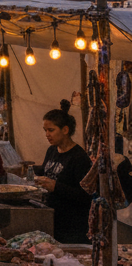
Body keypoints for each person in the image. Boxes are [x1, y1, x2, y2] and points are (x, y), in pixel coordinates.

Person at [35, 100, 92, 244]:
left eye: (51, 130)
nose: (47, 134)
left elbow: (85, 196)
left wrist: (56, 187)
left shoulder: (79, 158)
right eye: (45, 130)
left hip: (72, 227)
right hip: (52, 219)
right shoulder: (52, 150)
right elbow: (45, 171)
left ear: (65, 130)